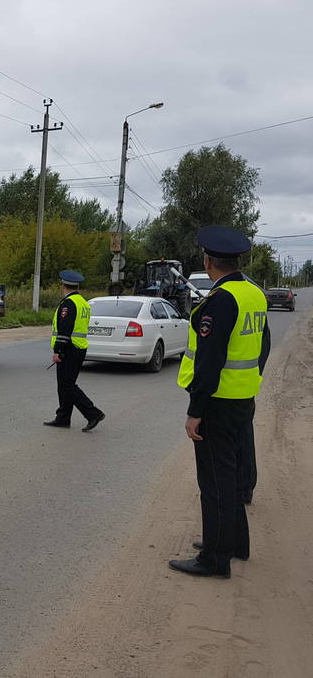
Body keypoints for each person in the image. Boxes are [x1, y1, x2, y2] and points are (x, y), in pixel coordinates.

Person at [169, 226, 270, 579]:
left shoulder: (220, 300)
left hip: (218, 402)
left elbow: (209, 362)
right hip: (243, 397)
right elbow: (264, 346)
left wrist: (195, 411)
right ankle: (234, 543)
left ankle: (214, 558)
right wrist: (252, 380)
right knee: (231, 476)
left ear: (208, 260)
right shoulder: (254, 294)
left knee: (214, 482)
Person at [44, 270, 105, 432]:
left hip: (69, 349)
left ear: (63, 286)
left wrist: (58, 351)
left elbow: (64, 330)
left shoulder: (68, 304)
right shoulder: (83, 302)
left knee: (67, 385)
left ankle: (93, 413)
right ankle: (63, 417)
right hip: (78, 347)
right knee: (64, 385)